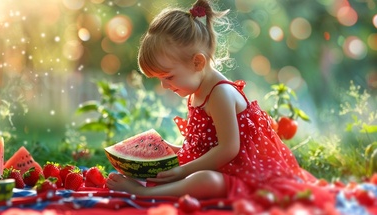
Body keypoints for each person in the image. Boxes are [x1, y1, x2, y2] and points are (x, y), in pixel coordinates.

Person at [106, 0, 334, 209]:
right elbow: (202, 146)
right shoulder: (195, 89)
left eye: (169, 77)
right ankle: (164, 183)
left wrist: (182, 170)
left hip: (246, 175)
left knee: (205, 180)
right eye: (159, 79)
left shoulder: (220, 93)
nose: (165, 86)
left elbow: (228, 149)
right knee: (196, 175)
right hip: (221, 167)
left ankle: (143, 194)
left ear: (197, 62)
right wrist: (169, 152)